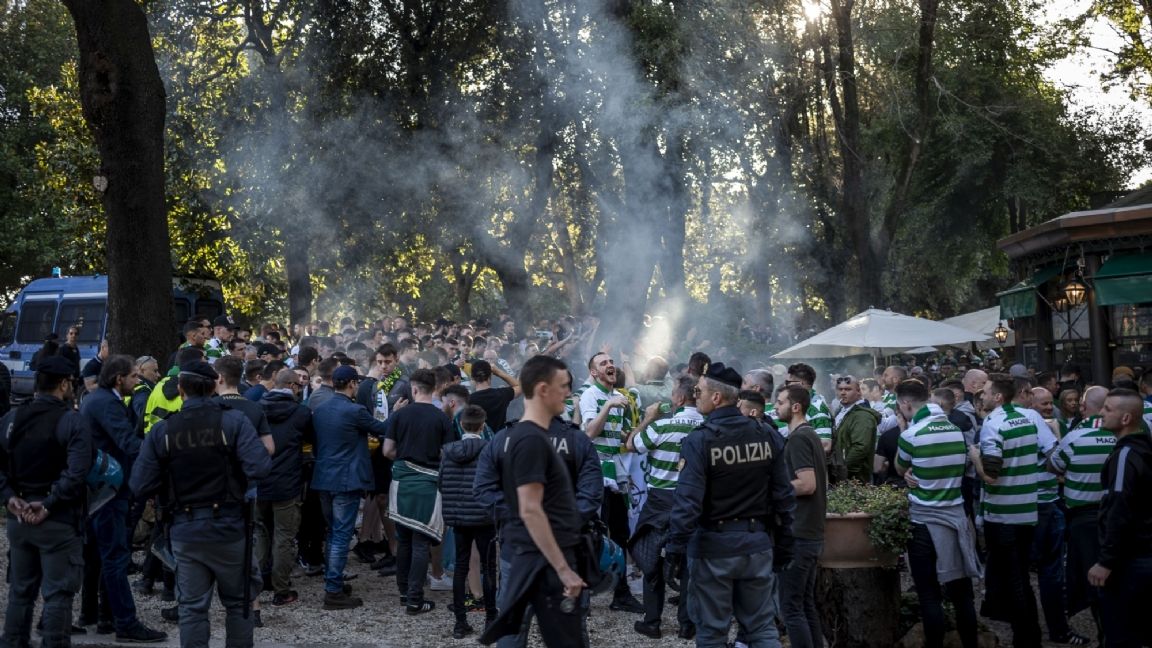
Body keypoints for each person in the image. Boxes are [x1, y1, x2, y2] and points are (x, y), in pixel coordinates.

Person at [129, 361, 271, 648]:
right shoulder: (233, 422)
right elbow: (259, 466)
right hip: (230, 527)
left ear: (181, 389)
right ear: (214, 387)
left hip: (185, 530)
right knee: (239, 603)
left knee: (192, 608)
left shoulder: (164, 430)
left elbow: (139, 484)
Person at [666, 362, 795, 647]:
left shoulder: (700, 441)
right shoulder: (766, 434)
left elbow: (688, 502)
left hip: (713, 550)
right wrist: (785, 543)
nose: (695, 396)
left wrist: (675, 548)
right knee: (761, 629)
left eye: (698, 391)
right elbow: (784, 496)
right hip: (757, 546)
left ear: (716, 397)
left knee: (712, 633)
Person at [478, 355, 588, 647]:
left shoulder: (529, 436)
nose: (568, 392)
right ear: (542, 389)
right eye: (563, 385)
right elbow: (530, 508)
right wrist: (563, 569)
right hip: (542, 560)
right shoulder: (531, 440)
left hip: (535, 555)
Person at [0, 357, 92, 648]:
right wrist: (49, 503)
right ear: (64, 384)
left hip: (20, 518)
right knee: (58, 594)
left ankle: (13, 642)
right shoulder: (71, 421)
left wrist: (10, 498)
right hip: (57, 520)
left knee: (20, 592)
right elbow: (77, 473)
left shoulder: (12, 419)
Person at [80, 354, 167, 643]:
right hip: (109, 488)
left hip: (100, 487)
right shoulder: (107, 403)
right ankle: (125, 622)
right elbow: (127, 442)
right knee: (115, 556)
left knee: (97, 554)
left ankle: (96, 614)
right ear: (119, 379)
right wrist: (159, 454)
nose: (137, 380)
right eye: (133, 376)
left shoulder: (99, 399)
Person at [893, 379, 979, 648]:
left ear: (906, 404)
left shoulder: (911, 435)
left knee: (929, 595)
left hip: (923, 522)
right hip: (955, 518)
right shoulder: (955, 430)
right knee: (962, 594)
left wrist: (909, 465)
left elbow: (899, 467)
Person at [625, 375, 702, 640]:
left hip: (659, 501)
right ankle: (686, 624)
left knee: (650, 558)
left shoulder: (661, 425)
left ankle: (652, 621)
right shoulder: (706, 425)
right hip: (693, 501)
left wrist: (647, 418)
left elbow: (631, 445)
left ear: (679, 398)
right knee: (690, 561)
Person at [969, 374, 1041, 648]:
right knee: (1020, 575)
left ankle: (1026, 639)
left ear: (998, 397)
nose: (982, 395)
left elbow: (991, 476)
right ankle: (1029, 635)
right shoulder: (1026, 418)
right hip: (1027, 510)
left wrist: (975, 458)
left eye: (986, 391)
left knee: (1014, 580)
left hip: (1004, 514)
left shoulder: (993, 424)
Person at [311, 365, 388, 610]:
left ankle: (332, 580)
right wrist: (397, 413)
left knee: (333, 533)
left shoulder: (320, 410)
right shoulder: (355, 411)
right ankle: (333, 590)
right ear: (353, 384)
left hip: (324, 477)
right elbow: (383, 429)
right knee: (342, 535)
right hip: (346, 479)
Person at [382, 368, 455, 615]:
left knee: (404, 539)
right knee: (421, 542)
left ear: (414, 389)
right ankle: (415, 599)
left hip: (402, 482)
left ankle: (405, 592)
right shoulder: (441, 418)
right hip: (428, 485)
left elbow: (387, 451)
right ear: (434, 389)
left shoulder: (400, 415)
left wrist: (406, 458)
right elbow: (448, 455)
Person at [579, 351, 644, 613]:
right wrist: (607, 406)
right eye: (603, 363)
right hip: (596, 474)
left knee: (620, 533)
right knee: (592, 533)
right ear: (594, 372)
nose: (611, 365)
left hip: (617, 475)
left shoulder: (619, 396)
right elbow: (589, 432)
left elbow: (624, 439)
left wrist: (647, 422)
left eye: (611, 362)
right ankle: (582, 595)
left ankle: (621, 594)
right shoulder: (591, 395)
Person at [1048, 385, 1113, 643]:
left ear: (1085, 407)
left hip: (1084, 518)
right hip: (1118, 515)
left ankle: (1106, 632)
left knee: (1093, 577)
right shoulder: (1123, 433)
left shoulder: (1075, 436)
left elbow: (1053, 465)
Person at [1088, 388, 1152, 647]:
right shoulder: (1141, 450)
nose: (1101, 413)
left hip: (1130, 562)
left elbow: (1119, 507)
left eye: (1107, 409)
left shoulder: (1126, 455)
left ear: (1126, 418)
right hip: (1140, 556)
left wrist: (1106, 560)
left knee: (1121, 635)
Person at [774, 384, 828, 648]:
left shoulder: (798, 438)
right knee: (805, 604)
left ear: (795, 407)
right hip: (809, 532)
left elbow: (807, 484)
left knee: (791, 608)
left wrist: (773, 488)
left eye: (780, 402)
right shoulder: (810, 434)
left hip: (799, 533)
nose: (776, 407)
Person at [257, 369, 315, 607]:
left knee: (259, 533)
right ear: (291, 386)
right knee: (284, 537)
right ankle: (281, 589)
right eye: (298, 386)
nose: (300, 390)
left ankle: (255, 585)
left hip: (260, 479)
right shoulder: (301, 413)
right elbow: (311, 440)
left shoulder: (257, 408)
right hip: (287, 482)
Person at [438, 405, 497, 639]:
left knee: (460, 567)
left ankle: (460, 622)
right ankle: (491, 618)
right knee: (489, 567)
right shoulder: (490, 450)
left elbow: (441, 482)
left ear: (461, 425)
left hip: (459, 515)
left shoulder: (448, 451)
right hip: (484, 516)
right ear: (483, 426)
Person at [832, 376, 880, 483]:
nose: (843, 393)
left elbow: (860, 448)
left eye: (848, 389)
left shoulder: (863, 416)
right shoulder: (841, 411)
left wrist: (843, 470)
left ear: (858, 392)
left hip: (855, 478)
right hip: (842, 474)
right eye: (840, 389)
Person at [468, 359, 521, 433]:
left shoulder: (468, 400)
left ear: (472, 377)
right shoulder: (501, 394)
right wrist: (498, 372)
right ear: (490, 375)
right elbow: (519, 386)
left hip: (478, 439)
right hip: (500, 439)